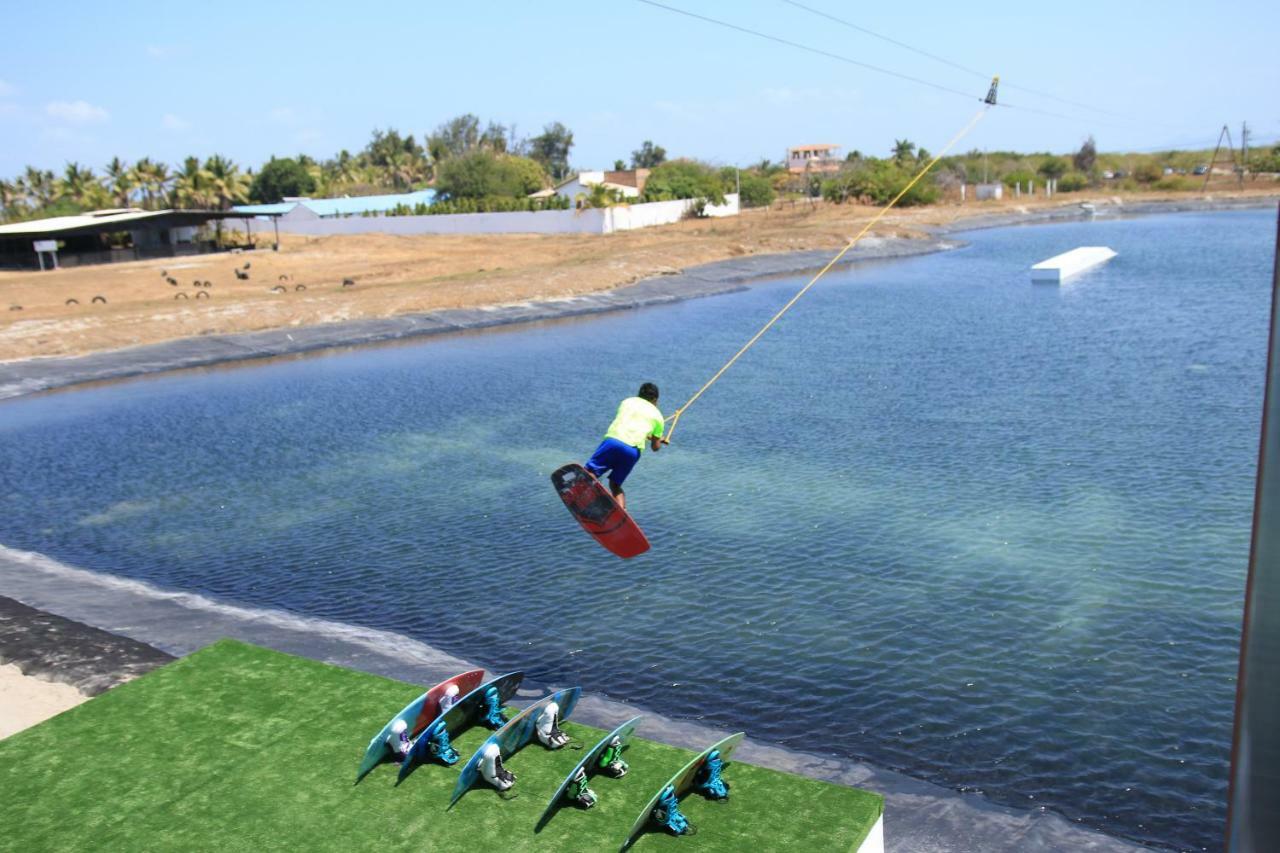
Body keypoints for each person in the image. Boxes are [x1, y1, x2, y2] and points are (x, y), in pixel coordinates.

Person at [585, 383, 667, 510]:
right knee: (615, 485)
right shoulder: (658, 417)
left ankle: (583, 496)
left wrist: (651, 436)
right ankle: (621, 515)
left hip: (614, 441)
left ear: (639, 393)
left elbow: (630, 423)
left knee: (590, 473)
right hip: (632, 451)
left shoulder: (627, 402)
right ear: (655, 399)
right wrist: (658, 440)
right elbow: (655, 448)